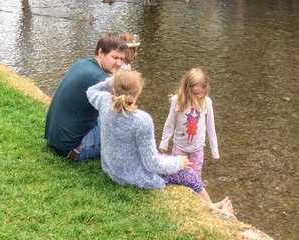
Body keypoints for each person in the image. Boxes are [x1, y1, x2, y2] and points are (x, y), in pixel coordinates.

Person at [86, 71, 233, 214]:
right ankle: (213, 209)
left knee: (174, 164)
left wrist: (114, 81)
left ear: (113, 87)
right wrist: (178, 162)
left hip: (112, 169)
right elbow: (152, 164)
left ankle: (210, 205)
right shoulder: (141, 120)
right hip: (132, 176)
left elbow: (91, 90)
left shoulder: (105, 102)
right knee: (189, 174)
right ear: (138, 92)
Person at [44, 34, 127, 161]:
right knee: (122, 125)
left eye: (122, 59)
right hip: (71, 148)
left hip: (54, 139)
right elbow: (121, 111)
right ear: (100, 52)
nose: (119, 63)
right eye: (115, 57)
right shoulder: (100, 79)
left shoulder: (82, 63)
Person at [159, 68, 219, 176]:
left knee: (195, 175)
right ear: (187, 89)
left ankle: (195, 191)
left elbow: (211, 127)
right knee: (177, 173)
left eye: (201, 93)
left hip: (197, 147)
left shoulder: (207, 102)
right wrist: (164, 142)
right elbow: (170, 124)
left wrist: (214, 150)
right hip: (180, 146)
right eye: (195, 93)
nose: (199, 96)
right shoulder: (177, 101)